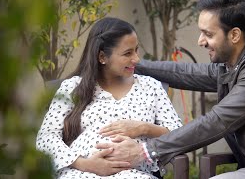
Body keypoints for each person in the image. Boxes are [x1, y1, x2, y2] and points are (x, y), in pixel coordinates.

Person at [96, 0, 245, 178]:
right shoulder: (233, 64)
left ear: (234, 35)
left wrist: (145, 150)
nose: (200, 41)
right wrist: (131, 63)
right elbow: (186, 72)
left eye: (208, 34)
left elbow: (217, 121)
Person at [36, 17, 182, 179]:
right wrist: (85, 164)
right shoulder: (73, 88)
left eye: (136, 50)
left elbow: (179, 135)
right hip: (79, 173)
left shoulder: (150, 87)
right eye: (128, 53)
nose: (136, 59)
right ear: (102, 57)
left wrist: (143, 128)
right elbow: (46, 138)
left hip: (134, 174)